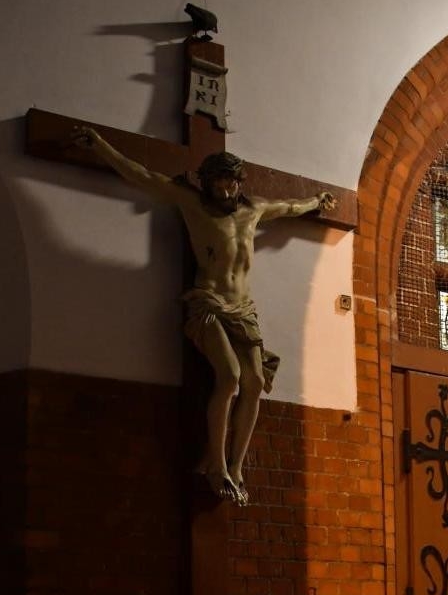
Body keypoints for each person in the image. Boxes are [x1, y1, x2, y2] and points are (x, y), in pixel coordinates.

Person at [72, 124, 336, 504]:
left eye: (232, 183)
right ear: (207, 183)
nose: (227, 191)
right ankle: (216, 463)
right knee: (229, 376)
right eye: (219, 183)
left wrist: (316, 201)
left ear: (239, 183)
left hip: (243, 308)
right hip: (208, 302)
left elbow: (290, 207)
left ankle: (237, 466)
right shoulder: (193, 203)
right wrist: (101, 147)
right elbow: (143, 175)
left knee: (255, 381)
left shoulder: (253, 210)